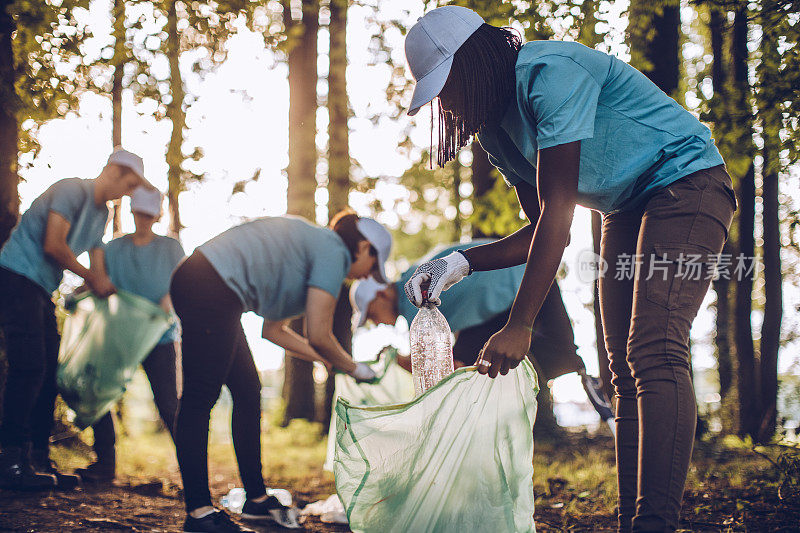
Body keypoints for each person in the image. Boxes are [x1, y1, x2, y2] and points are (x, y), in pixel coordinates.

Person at [402, 7, 737, 533]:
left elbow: (560, 212)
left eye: (447, 86)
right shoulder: (495, 131)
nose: (445, 103)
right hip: (625, 205)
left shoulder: (548, 73)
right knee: (622, 372)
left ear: (476, 62)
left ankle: (655, 523)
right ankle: (634, 522)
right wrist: (461, 262)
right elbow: (540, 228)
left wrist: (520, 324)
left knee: (655, 346)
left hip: (687, 180)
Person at [170, 211, 391, 533]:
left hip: (212, 287)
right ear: (363, 247)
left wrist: (328, 359)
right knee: (199, 396)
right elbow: (319, 334)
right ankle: (200, 514)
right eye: (373, 265)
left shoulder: (314, 258)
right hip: (209, 285)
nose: (367, 276)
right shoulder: (334, 253)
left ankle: (257, 501)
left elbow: (274, 331)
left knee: (247, 391)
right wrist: (355, 368)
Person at [0, 148, 149, 490]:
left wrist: (102, 285)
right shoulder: (71, 190)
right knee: (28, 367)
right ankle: (10, 459)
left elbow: (97, 267)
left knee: (49, 372)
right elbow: (54, 244)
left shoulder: (102, 215)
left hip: (41, 290)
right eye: (128, 184)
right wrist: (91, 277)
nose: (127, 193)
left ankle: (37, 459)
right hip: (16, 276)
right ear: (113, 170)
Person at [350, 239, 613, 424]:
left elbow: (441, 369)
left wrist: (399, 361)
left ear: (383, 294)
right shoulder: (416, 276)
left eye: (372, 314)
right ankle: (592, 393)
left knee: (477, 363)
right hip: (531, 272)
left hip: (517, 288)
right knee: (562, 351)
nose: (378, 323)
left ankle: (592, 397)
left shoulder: (413, 297)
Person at [75, 186, 185, 482]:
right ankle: (104, 465)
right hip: (118, 336)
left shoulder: (171, 248)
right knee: (100, 394)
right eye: (140, 213)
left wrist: (167, 302)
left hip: (158, 337)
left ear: (157, 215)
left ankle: (191, 469)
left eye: (150, 215)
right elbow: (99, 280)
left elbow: (182, 284)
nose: (144, 219)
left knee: (168, 402)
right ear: (134, 212)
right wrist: (79, 293)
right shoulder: (114, 248)